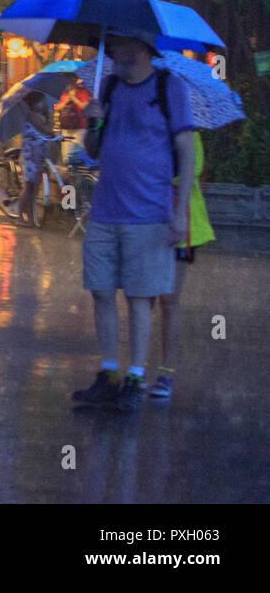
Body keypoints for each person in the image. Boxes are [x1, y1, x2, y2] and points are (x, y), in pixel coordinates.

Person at [74, 31, 196, 412]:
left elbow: (187, 150)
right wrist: (91, 124)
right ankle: (109, 373)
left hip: (150, 214)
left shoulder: (167, 86)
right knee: (101, 290)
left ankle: (136, 378)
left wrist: (180, 213)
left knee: (141, 298)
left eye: (119, 46)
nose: (111, 52)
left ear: (141, 47)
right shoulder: (108, 87)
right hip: (106, 210)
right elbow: (93, 151)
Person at [149, 131, 215, 401]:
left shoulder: (190, 135)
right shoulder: (151, 128)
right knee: (143, 297)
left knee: (170, 301)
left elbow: (190, 171)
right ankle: (136, 370)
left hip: (182, 223)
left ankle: (166, 372)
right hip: (148, 221)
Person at [18, 93, 57, 227]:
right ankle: (21, 215)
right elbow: (46, 130)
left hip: (39, 154)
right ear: (34, 103)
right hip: (31, 156)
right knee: (30, 187)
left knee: (35, 188)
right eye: (41, 101)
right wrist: (49, 116)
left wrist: (47, 116)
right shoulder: (31, 115)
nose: (44, 103)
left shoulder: (38, 115)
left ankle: (31, 217)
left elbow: (47, 130)